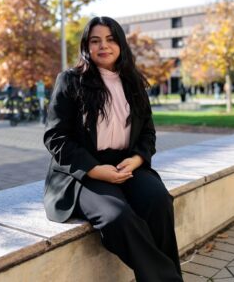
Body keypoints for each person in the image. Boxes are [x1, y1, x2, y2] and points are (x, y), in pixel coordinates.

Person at [43, 16, 183, 281]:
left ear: (120, 44)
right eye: (95, 41)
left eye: (110, 39)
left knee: (159, 201)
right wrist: (95, 170)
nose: (103, 46)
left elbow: (148, 133)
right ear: (86, 46)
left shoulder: (133, 83)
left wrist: (138, 160)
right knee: (117, 216)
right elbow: (55, 137)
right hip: (83, 171)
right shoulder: (71, 81)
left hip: (126, 164)